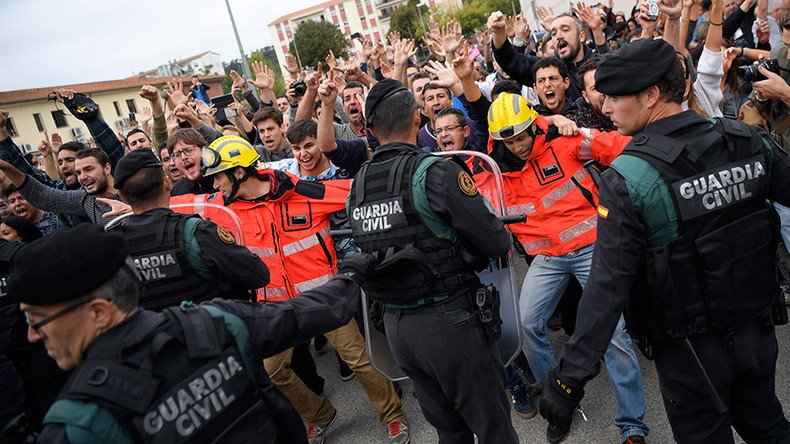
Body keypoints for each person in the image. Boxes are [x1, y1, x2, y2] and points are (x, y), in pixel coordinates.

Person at [533, 37, 790, 444]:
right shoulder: (746, 140)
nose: (607, 107)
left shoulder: (630, 178)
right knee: (769, 428)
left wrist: (568, 379)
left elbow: (606, 288)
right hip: (756, 337)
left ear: (652, 95)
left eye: (616, 97)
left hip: (691, 356)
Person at [8, 224, 376, 443]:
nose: (31, 336)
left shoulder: (80, 424)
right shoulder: (218, 322)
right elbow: (309, 312)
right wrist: (353, 273)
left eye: (37, 320)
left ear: (99, 312)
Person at [195, 136, 409, 444]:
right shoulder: (223, 209)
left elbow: (358, 191)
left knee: (360, 360)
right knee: (271, 371)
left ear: (239, 173)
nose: (215, 185)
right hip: (275, 307)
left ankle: (393, 416)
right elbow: (179, 206)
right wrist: (132, 207)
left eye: (218, 176)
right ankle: (319, 414)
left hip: (324, 300)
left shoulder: (304, 192)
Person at [347, 78, 518, 443]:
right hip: (450, 321)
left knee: (449, 432)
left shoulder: (358, 185)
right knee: (493, 430)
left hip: (396, 328)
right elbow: (495, 241)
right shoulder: (437, 173)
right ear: (416, 118)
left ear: (372, 129)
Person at [110, 148, 269, 311]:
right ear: (166, 183)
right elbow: (258, 275)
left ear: (122, 196)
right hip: (208, 331)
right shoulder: (197, 232)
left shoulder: (112, 248)